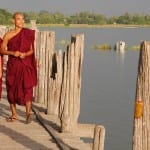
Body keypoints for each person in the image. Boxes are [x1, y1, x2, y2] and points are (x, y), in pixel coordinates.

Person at [0, 12, 37, 123]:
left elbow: (31, 50)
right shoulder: (8, 35)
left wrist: (25, 54)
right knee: (11, 88)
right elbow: (1, 50)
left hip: (25, 64)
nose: (21, 21)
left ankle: (28, 114)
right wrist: (12, 52)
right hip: (13, 65)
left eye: (22, 19)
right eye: (18, 19)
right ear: (13, 21)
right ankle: (14, 114)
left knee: (27, 88)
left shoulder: (27, 33)